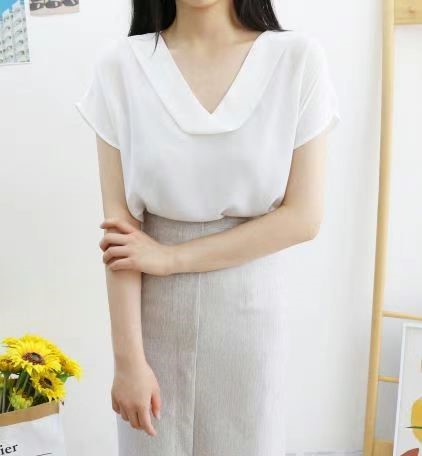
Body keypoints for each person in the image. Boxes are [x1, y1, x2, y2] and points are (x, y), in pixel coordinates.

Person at [74, 0, 341, 454]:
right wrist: (128, 362)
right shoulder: (119, 67)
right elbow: (120, 236)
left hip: (249, 314)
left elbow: (303, 218)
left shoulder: (298, 59)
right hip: (152, 320)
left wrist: (171, 257)